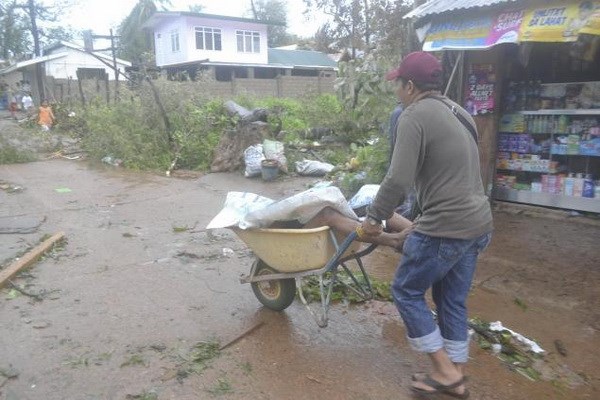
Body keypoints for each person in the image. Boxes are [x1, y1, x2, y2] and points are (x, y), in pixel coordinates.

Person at [360, 51, 493, 399]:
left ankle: (446, 373)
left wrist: (374, 218)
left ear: (411, 85)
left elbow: (398, 178)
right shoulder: (460, 111)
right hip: (478, 224)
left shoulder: (413, 114)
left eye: (398, 83)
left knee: (406, 290)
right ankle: (454, 372)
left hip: (446, 226)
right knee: (451, 299)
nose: (396, 90)